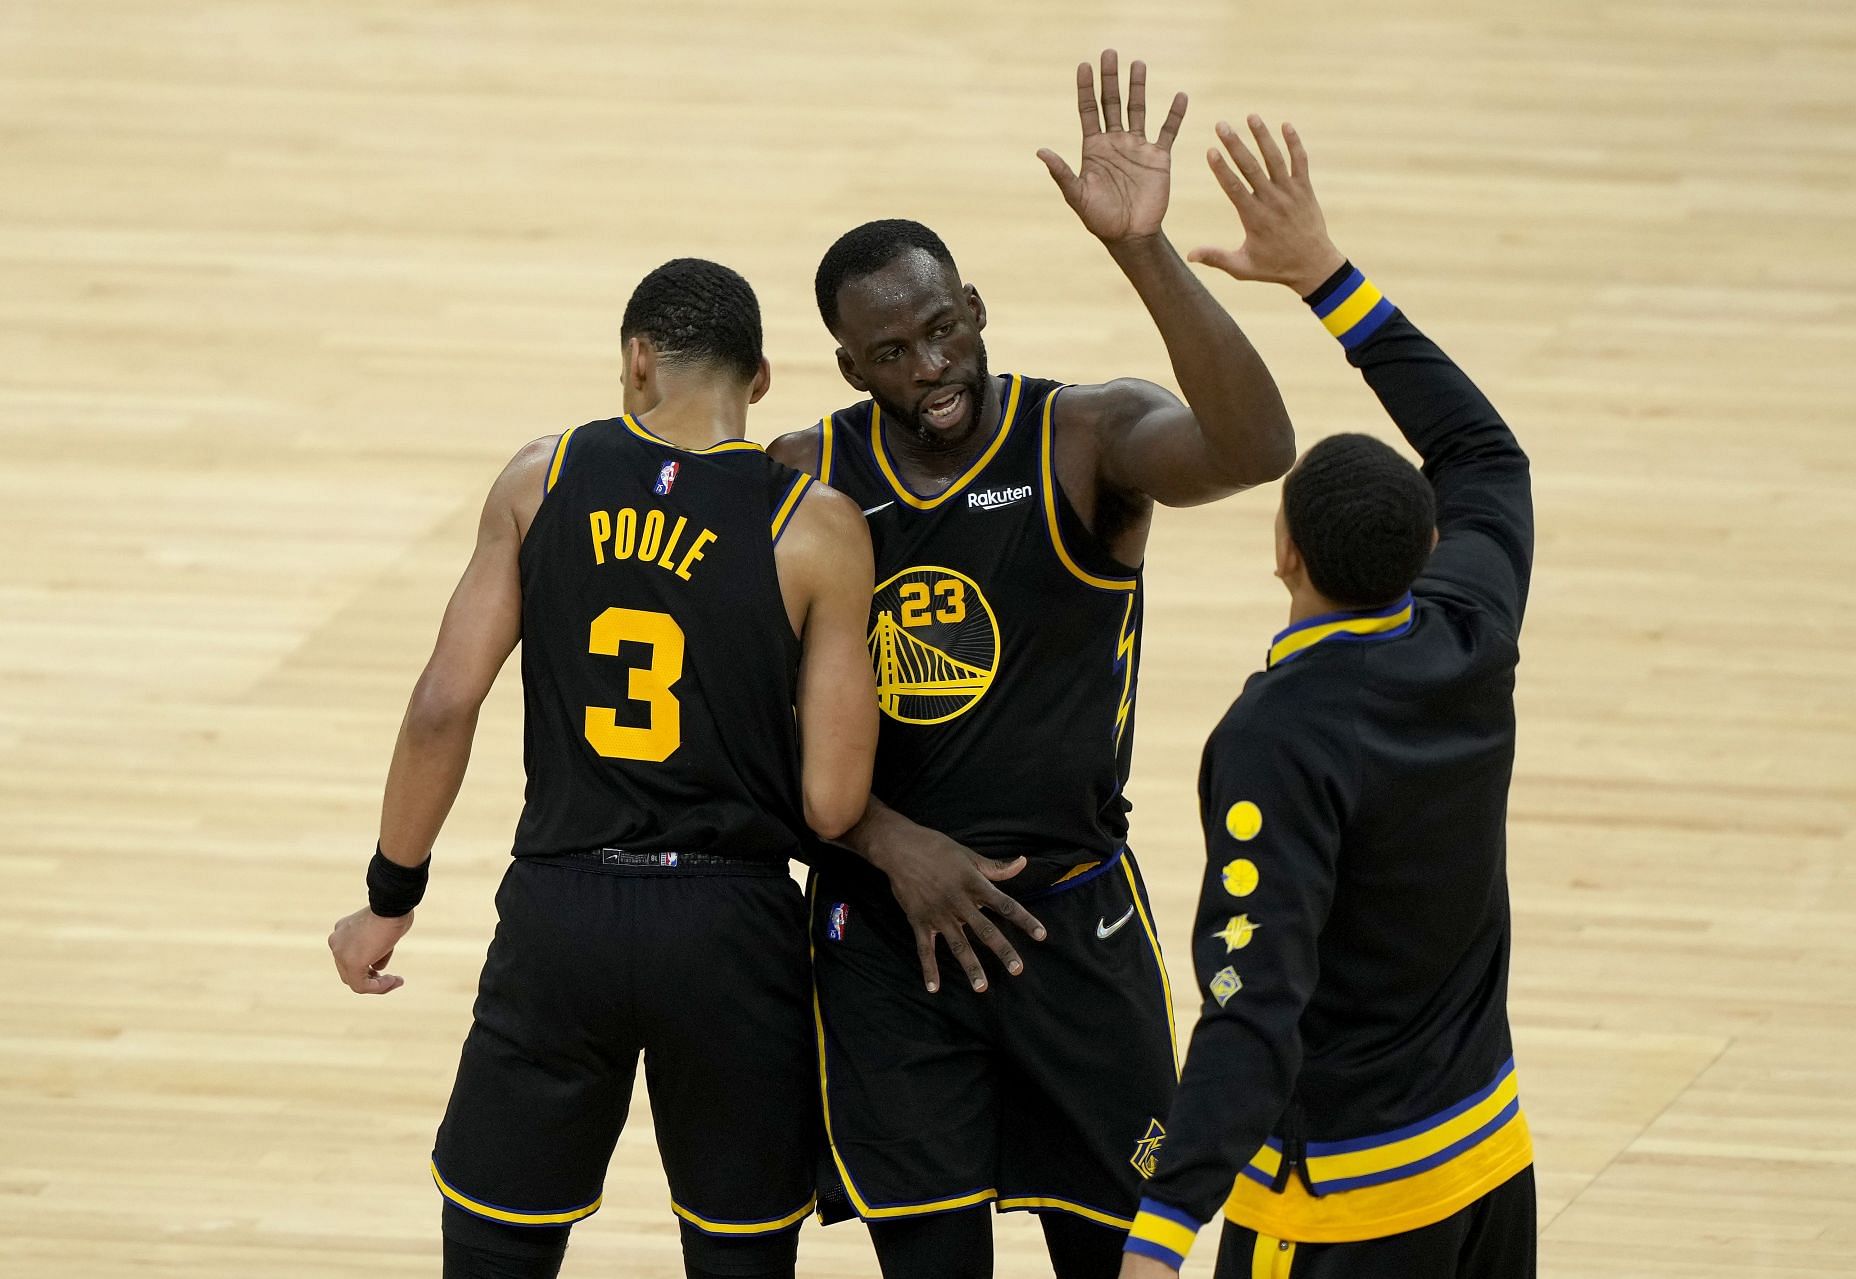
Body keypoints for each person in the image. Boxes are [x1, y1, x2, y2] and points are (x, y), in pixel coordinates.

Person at [769, 51, 1299, 1279]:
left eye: (943, 328)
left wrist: (1143, 250)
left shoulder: (1083, 436)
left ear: (978, 308)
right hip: (884, 936)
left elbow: (1258, 445)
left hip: (1071, 922)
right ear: (851, 368)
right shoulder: (806, 476)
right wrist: (893, 845)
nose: (930, 367)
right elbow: (751, 735)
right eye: (892, 352)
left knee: (1119, 1260)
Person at [325, 258, 878, 1279]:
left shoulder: (543, 478)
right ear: (760, 381)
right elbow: (834, 801)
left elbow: (443, 703)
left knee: (498, 1239)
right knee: (739, 1251)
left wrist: (389, 894)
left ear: (637, 362)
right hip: (730, 925)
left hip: (561, 910)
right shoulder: (816, 526)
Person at [1119, 115, 1536, 1278]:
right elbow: (1488, 458)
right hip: (1490, 1161)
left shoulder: (1274, 738)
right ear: (1424, 547)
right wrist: (1328, 280)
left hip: (1345, 1209)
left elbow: (1256, 1001)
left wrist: (1164, 1228)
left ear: (1282, 551)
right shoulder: (1468, 625)